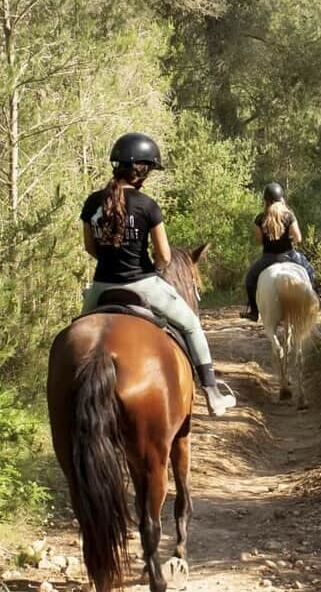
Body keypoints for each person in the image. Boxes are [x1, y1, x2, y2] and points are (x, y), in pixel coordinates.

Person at [79, 132, 236, 415]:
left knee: (77, 334)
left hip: (101, 286)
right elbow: (163, 256)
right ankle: (212, 391)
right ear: (142, 170)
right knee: (190, 325)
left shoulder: (92, 203)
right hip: (143, 285)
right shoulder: (146, 205)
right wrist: (157, 271)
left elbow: (90, 247)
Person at [242, 182, 317, 322]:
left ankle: (253, 311)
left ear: (265, 200)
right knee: (311, 271)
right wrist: (287, 238)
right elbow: (298, 238)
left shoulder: (259, 218)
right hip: (290, 255)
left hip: (268, 257)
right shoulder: (289, 215)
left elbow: (259, 240)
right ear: (281, 198)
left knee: (250, 279)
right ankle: (317, 299)